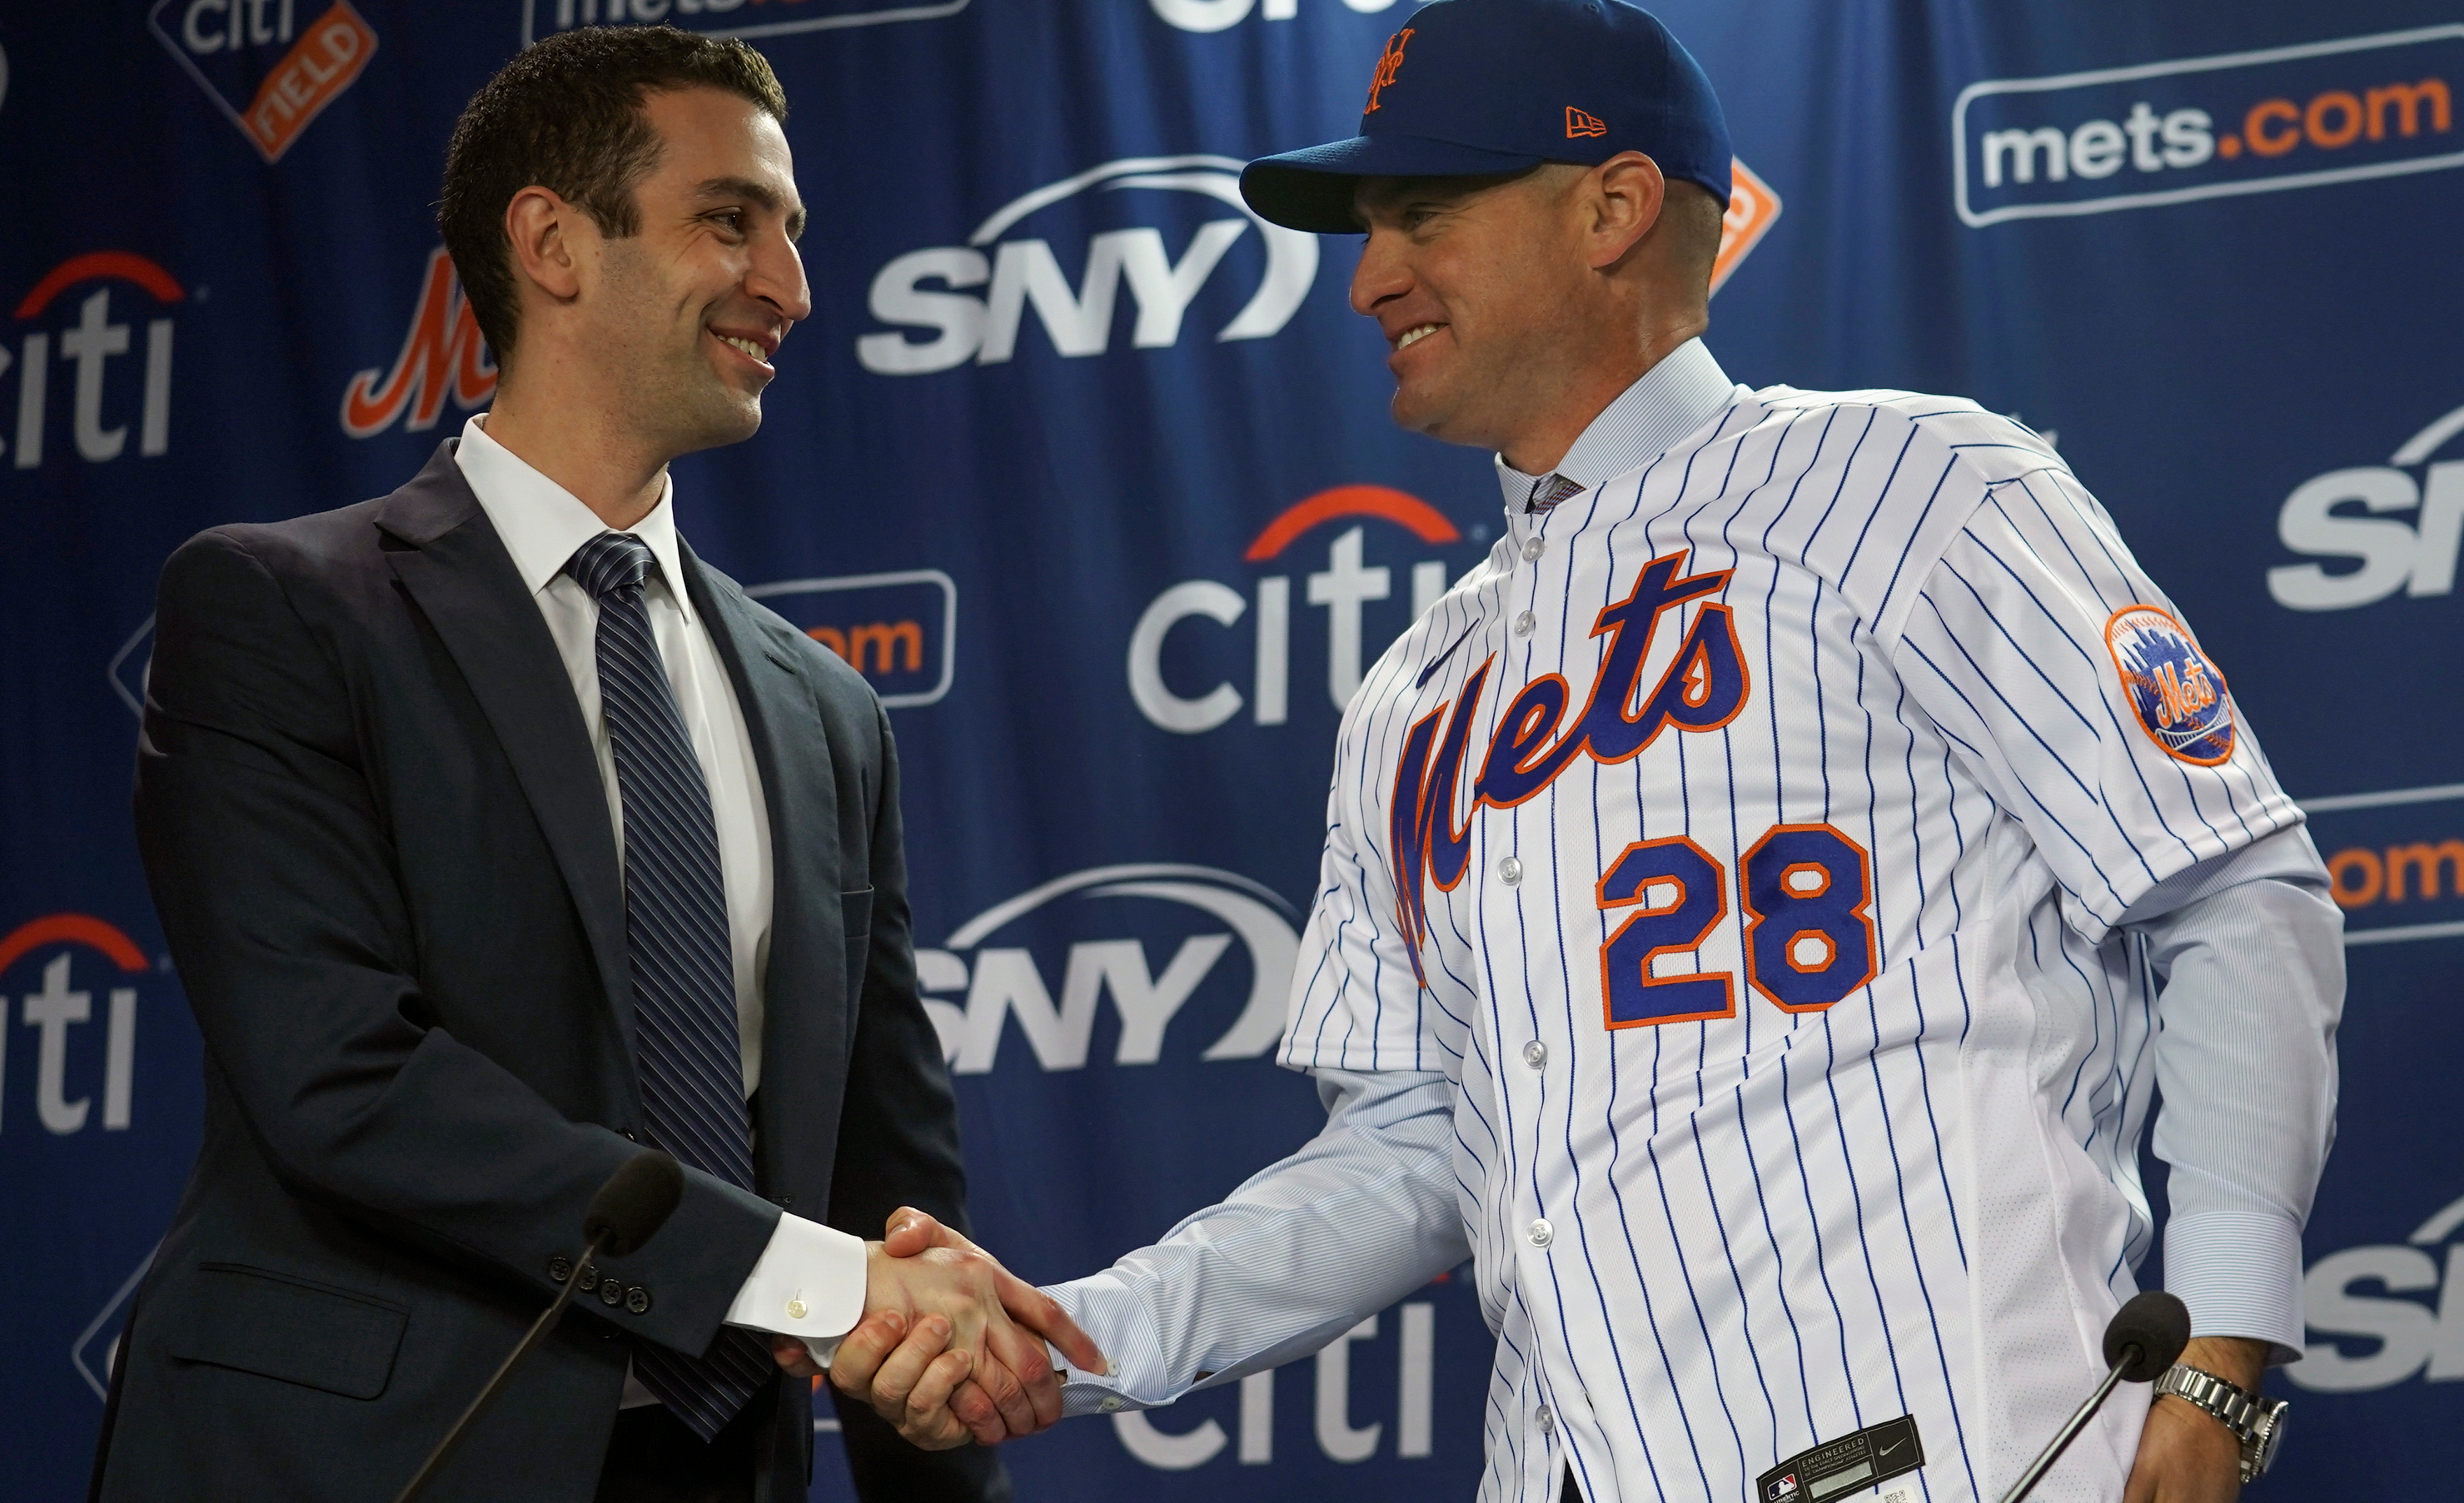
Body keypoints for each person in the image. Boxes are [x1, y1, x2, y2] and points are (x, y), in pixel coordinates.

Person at [804, 1, 2342, 1500]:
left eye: (1421, 213)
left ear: (1611, 207)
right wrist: (1084, 1335)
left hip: (1956, 1440)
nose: (1367, 280)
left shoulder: (1910, 486)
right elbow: (1416, 1145)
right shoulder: (1420, 684)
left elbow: (2229, 896)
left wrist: (2220, 1350)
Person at [96, 27, 1091, 1503]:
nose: (793, 287)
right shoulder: (280, 610)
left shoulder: (826, 710)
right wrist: (803, 1282)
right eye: (729, 219)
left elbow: (880, 1175)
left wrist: (924, 1443)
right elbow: (342, 1078)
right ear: (553, 244)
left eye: (793, 232)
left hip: (711, 1465)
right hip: (355, 1460)